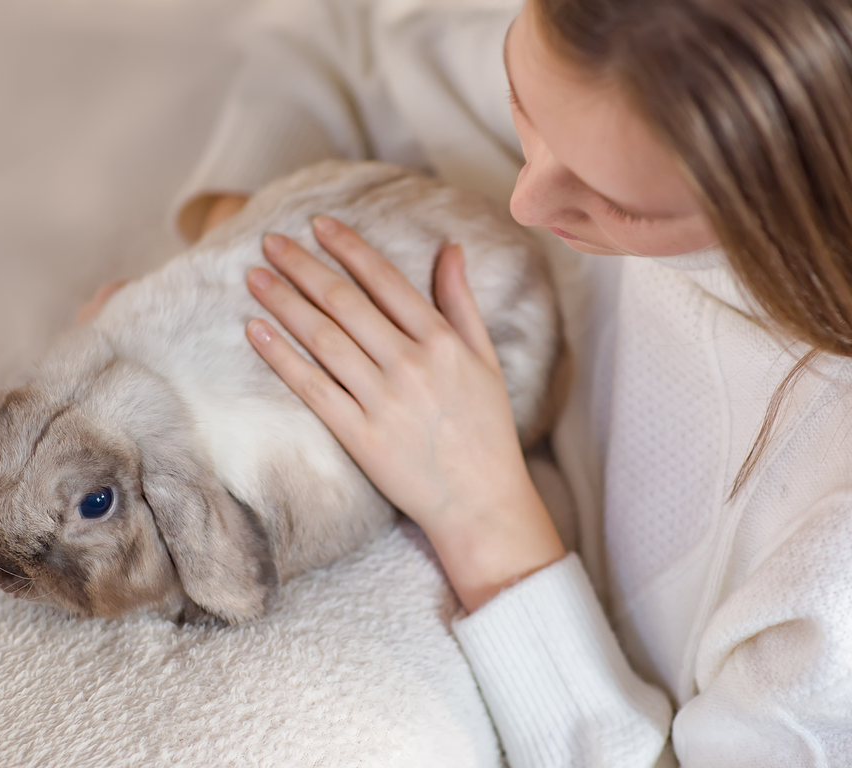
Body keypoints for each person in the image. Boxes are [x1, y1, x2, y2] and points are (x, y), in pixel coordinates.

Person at [81, 0, 852, 764]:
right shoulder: (608, 46)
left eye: (620, 204)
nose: (527, 198)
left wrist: (485, 514)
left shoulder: (828, 551)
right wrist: (244, 257)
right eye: (523, 102)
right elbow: (335, 44)